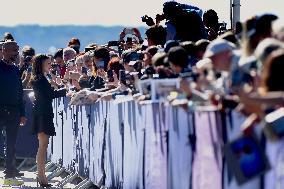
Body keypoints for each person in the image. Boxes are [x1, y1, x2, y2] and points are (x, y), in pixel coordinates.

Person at [30, 54, 67, 187]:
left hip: (43, 113)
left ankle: (41, 175)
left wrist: (58, 87)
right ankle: (41, 175)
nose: (50, 66)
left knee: (43, 145)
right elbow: (50, 95)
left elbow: (50, 93)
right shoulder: (40, 79)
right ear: (41, 65)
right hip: (42, 113)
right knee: (43, 145)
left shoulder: (41, 78)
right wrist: (65, 91)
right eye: (48, 64)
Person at [0, 41, 26, 185]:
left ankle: (9, 176)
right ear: (4, 51)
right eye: (13, 50)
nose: (16, 53)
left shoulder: (16, 69)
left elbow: (19, 92)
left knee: (11, 145)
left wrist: (22, 113)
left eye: (17, 50)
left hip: (14, 112)